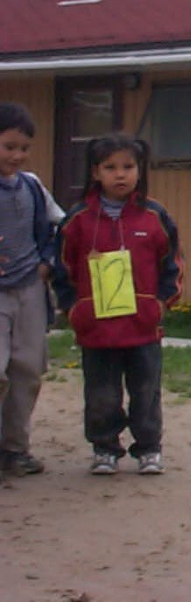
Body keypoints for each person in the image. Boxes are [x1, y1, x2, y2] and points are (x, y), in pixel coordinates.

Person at [52, 133, 182, 475]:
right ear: (95, 172)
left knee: (146, 392)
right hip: (97, 329)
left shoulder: (155, 217)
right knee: (101, 394)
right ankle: (105, 448)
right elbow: (61, 269)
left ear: (140, 170)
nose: (120, 175)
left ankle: (149, 449)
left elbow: (173, 264)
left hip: (142, 327)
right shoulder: (77, 220)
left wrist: (161, 303)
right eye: (111, 167)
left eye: (128, 167)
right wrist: (73, 310)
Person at [0, 103, 59, 479]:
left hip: (30, 288)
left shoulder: (33, 186)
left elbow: (62, 225)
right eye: (8, 146)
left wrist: (49, 261)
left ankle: (14, 448)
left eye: (24, 147)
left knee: (27, 370)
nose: (17, 155)